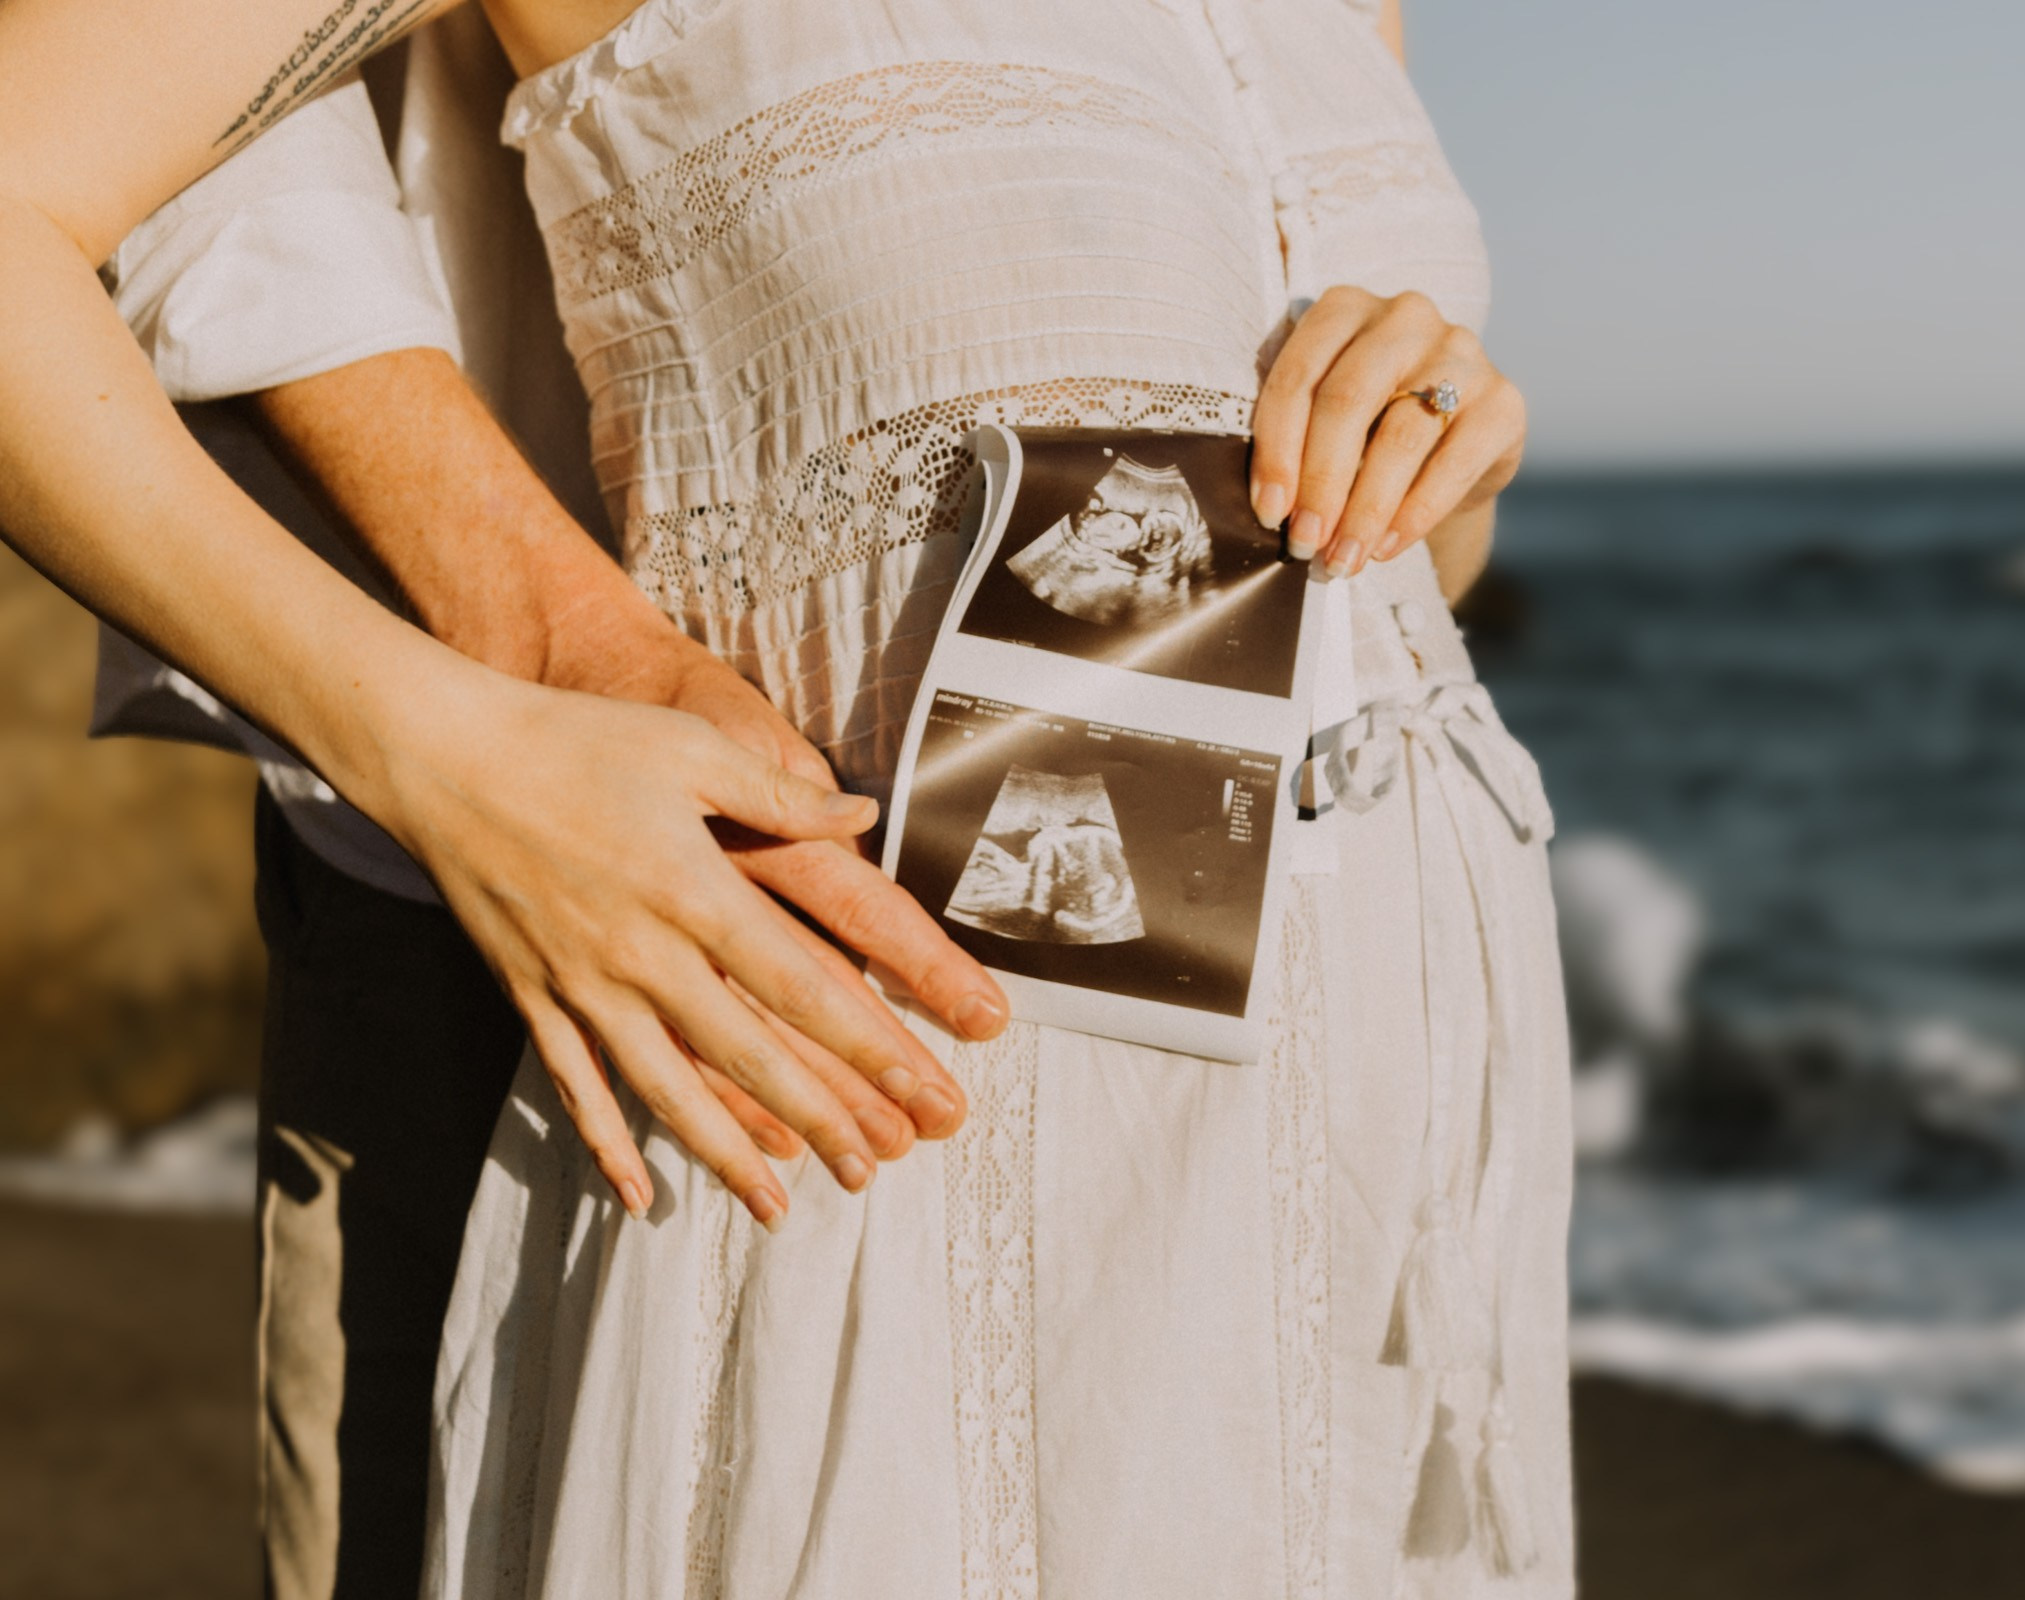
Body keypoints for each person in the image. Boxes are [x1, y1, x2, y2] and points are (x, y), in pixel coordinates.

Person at [0, 0, 1573, 1594]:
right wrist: (450, 746)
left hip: (1391, 1165)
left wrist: (1444, 453)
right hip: (882, 1122)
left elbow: (1396, 576)